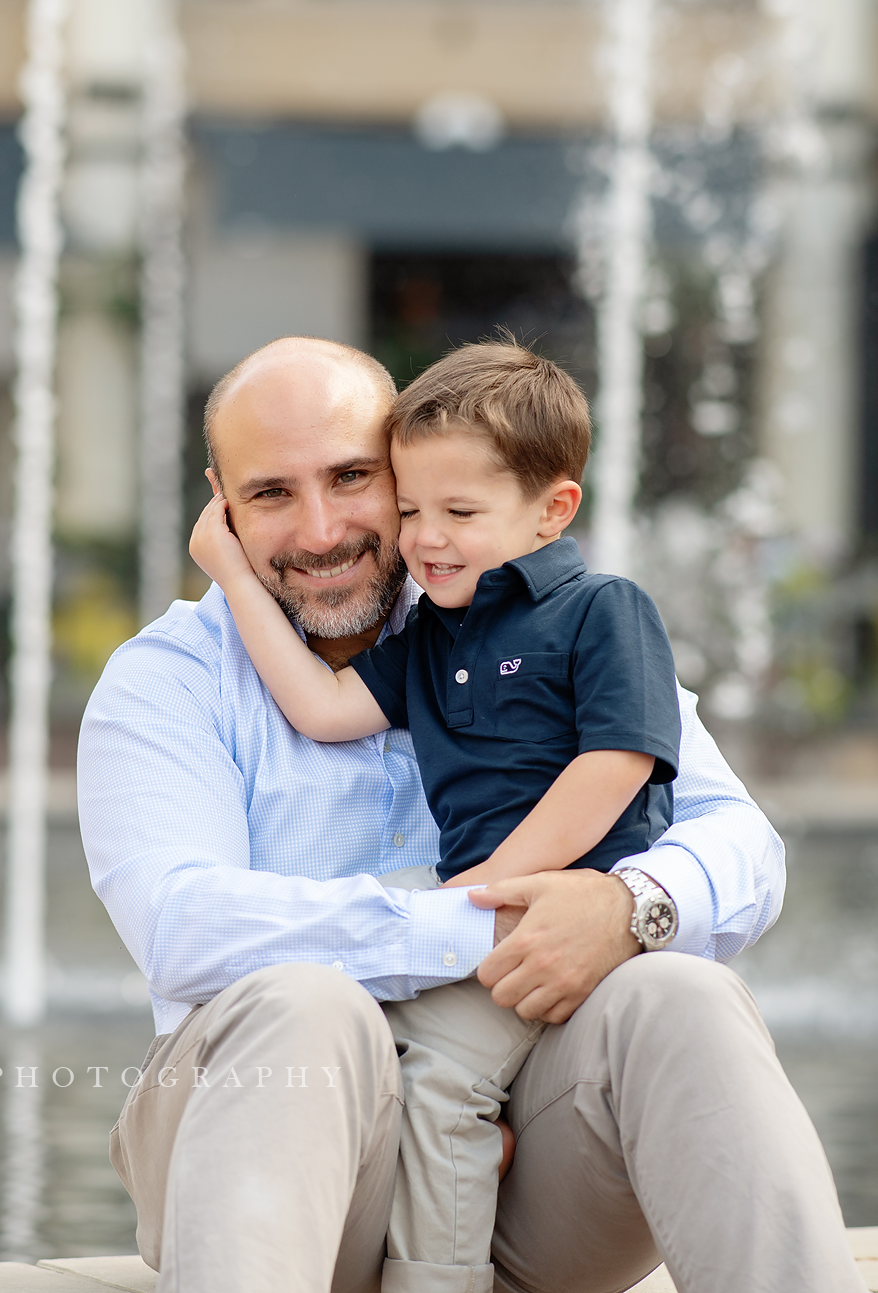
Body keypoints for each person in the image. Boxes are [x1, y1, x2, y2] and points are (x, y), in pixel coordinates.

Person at [78, 335, 865, 1293]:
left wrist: (628, 908)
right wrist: (477, 920)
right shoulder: (169, 681)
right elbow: (181, 927)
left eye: (354, 476)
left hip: (524, 1179)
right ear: (221, 502)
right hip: (267, 1156)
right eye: (272, 493)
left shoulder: (542, 619)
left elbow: (741, 841)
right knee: (305, 1000)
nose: (321, 527)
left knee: (682, 995)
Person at [186, 341, 680, 1293]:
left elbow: (617, 763)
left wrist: (490, 893)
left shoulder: (603, 611)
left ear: (553, 510)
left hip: (544, 910)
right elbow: (323, 709)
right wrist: (236, 579)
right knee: (349, 988)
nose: (426, 538)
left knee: (440, 1087)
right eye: (412, 509)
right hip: (478, 904)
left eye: (459, 512)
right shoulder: (433, 635)